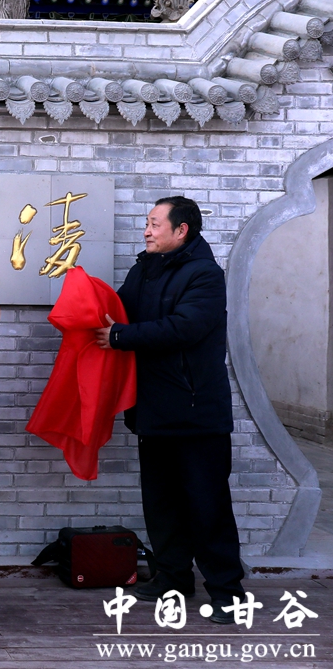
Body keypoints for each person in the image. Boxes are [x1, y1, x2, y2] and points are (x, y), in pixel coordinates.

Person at [94, 196, 245, 623]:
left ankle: (227, 593)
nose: (147, 230)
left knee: (207, 506)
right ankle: (173, 577)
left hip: (197, 413)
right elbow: (118, 309)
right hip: (154, 410)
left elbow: (186, 327)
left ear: (182, 230)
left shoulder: (205, 275)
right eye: (147, 222)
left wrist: (121, 337)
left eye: (155, 223)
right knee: (161, 504)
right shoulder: (145, 268)